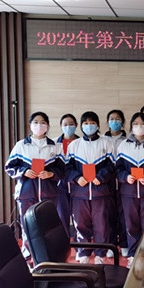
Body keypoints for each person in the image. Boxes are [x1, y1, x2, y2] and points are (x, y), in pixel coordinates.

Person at [5, 111, 63, 255]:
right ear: (30, 125)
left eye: (42, 122)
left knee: (48, 225)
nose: (39, 125)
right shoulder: (21, 145)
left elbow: (63, 169)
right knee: (27, 225)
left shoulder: (55, 146)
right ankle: (28, 253)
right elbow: (9, 167)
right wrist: (23, 171)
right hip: (27, 193)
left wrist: (51, 174)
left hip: (48, 193)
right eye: (35, 122)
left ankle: (48, 254)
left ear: (47, 125)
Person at [66, 111, 115, 264]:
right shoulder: (74, 145)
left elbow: (112, 166)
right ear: (81, 126)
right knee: (81, 224)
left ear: (98, 125)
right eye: (86, 123)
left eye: (92, 123)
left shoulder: (107, 143)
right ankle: (83, 252)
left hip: (100, 193)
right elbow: (67, 168)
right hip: (79, 193)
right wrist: (76, 178)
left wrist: (101, 177)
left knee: (101, 224)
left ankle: (100, 253)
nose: (89, 126)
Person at [115, 112, 144, 266]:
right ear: (131, 126)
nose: (139, 127)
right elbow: (117, 168)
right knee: (131, 225)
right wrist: (125, 177)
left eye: (142, 124)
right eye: (135, 124)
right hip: (128, 193)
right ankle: (133, 255)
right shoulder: (123, 145)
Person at [103, 110, 127, 257]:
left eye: (118, 119)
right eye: (111, 119)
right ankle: (111, 244)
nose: (114, 121)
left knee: (123, 215)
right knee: (108, 214)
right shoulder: (102, 140)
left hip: (124, 182)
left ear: (122, 122)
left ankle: (124, 244)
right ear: (107, 122)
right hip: (107, 182)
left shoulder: (128, 140)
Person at [55, 113, 79, 236]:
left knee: (79, 216)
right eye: (65, 124)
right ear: (61, 126)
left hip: (78, 183)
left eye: (71, 124)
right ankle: (64, 241)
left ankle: (79, 241)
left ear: (76, 125)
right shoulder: (54, 143)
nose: (68, 127)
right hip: (61, 184)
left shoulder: (82, 142)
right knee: (62, 215)